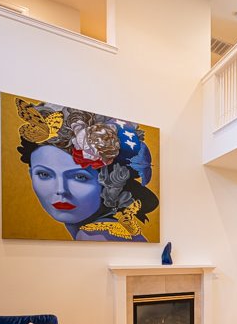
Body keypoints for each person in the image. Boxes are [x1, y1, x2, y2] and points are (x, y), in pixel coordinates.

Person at [15, 98, 158, 241]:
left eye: (79, 177)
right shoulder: (107, 231)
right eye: (44, 174)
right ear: (30, 174)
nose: (61, 189)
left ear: (110, 183)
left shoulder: (95, 235)